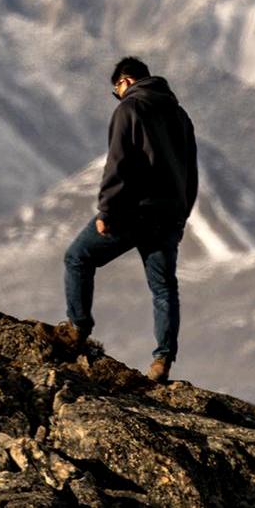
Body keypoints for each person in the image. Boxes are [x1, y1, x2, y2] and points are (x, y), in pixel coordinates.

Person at [56, 56, 198, 383]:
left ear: (126, 81)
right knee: (163, 288)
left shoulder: (129, 109)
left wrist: (107, 211)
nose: (117, 97)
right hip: (168, 217)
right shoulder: (180, 116)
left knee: (77, 257)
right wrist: (181, 215)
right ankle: (162, 360)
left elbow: (118, 163)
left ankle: (77, 329)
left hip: (132, 212)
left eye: (116, 90)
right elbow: (191, 173)